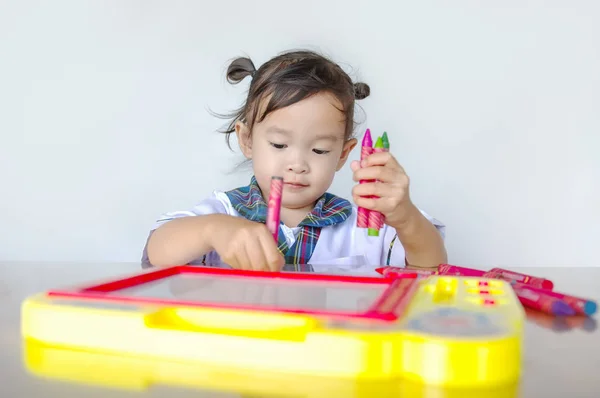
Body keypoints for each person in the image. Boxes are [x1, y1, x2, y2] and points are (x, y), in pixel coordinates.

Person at [142, 49, 447, 273]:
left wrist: (405, 216)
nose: (297, 164)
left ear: (343, 154)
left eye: (319, 150)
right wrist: (213, 230)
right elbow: (157, 252)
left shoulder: (362, 228)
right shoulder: (224, 211)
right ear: (247, 140)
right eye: (279, 144)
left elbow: (431, 267)